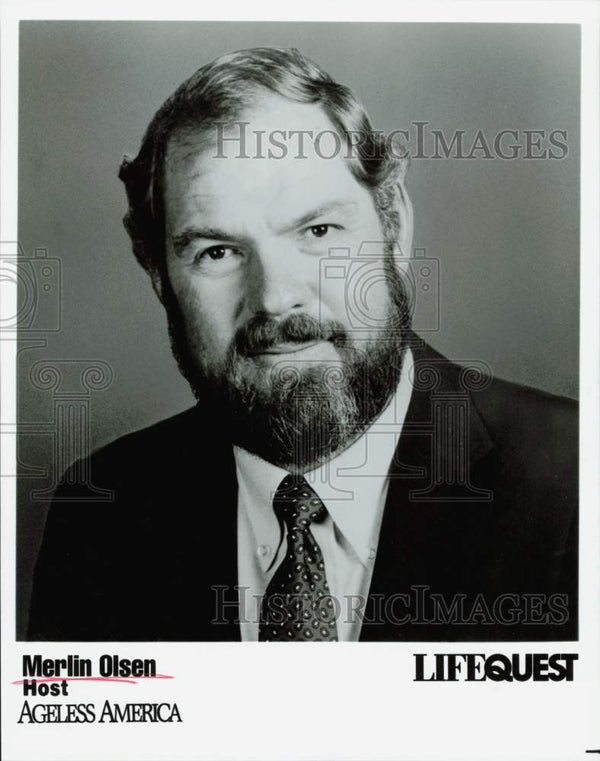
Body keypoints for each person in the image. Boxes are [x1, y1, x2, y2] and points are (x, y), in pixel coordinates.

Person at [27, 47, 577, 642]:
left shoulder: (573, 487)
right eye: (217, 252)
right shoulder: (102, 513)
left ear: (394, 225)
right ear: (160, 275)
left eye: (317, 231)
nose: (275, 298)